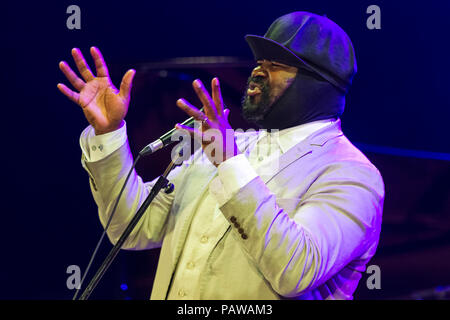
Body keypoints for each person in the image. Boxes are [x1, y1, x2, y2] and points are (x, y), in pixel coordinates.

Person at [57, 11, 384, 300]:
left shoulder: (350, 173)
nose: (257, 71)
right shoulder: (226, 147)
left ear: (319, 84)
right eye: (258, 61)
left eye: (277, 64)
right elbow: (129, 227)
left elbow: (295, 271)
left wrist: (230, 164)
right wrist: (108, 133)